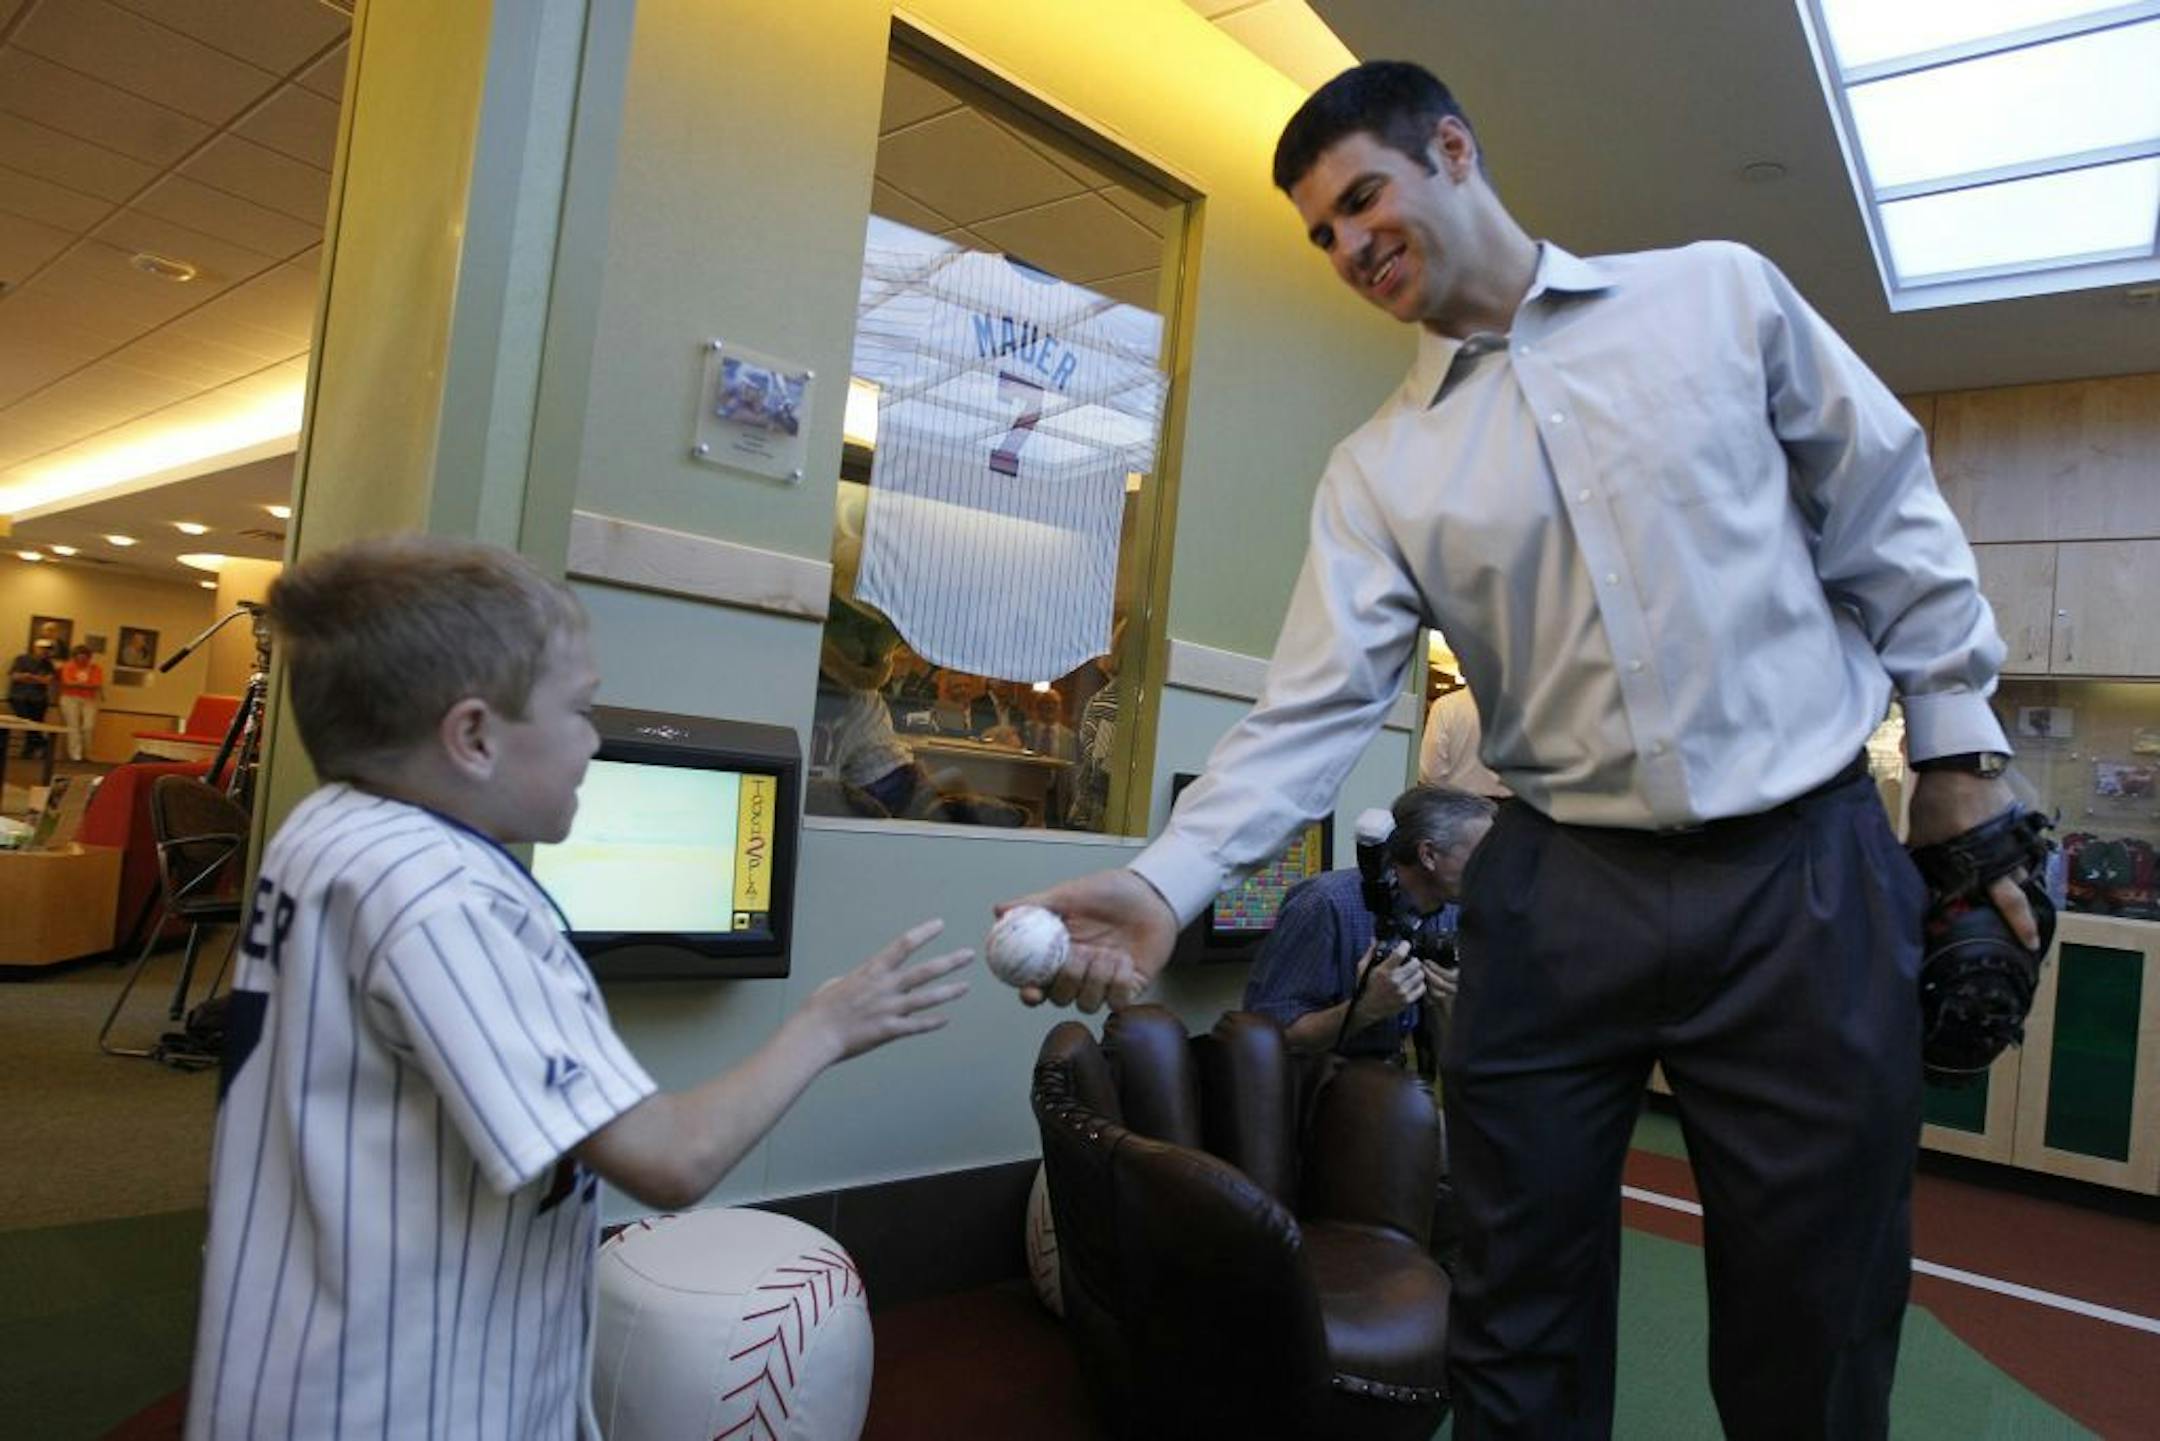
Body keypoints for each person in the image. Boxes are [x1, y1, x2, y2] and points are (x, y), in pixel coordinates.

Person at [1004, 60, 2037, 1440]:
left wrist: (1961, 759)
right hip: (1558, 886)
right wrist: (1166, 879)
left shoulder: (1717, 296)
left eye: (1363, 197)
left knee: (1818, 1307)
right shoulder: (1378, 470)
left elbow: (1887, 514)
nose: (1350, 245)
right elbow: (1311, 707)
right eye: (1321, 232)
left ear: (1452, 149)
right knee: (1514, 1299)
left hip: (1805, 867)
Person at [184, 535, 973, 1440]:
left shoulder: (328, 830)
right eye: (580, 711)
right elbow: (670, 1159)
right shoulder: (443, 897)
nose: (594, 743)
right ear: (473, 735)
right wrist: (828, 1024)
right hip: (396, 1399)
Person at [1246, 784, 1490, 1060]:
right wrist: (1367, 1008)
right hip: (1324, 1090)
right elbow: (1270, 1037)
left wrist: (1448, 1003)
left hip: (1401, 1089)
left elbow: (1456, 1059)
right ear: (1428, 855)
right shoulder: (1324, 903)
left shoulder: (1453, 913)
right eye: (1483, 856)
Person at [1419, 681, 1508, 799]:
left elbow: (1430, 771)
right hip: (1510, 808)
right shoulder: (1522, 712)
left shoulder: (1446, 706)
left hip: (1456, 805)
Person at [6, 637, 57, 757]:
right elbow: (15, 676)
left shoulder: (48, 664)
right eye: (43, 648)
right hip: (18, 697)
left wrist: (29, 677)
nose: (45, 651)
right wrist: (35, 678)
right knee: (26, 723)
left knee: (35, 724)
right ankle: (42, 742)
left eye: (48, 649)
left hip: (39, 699)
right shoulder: (21, 659)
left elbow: (47, 681)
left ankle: (29, 750)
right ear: (35, 648)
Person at [55, 643, 103, 762]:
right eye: (79, 657)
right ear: (75, 657)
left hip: (89, 699)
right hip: (69, 698)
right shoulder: (68, 666)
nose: (81, 660)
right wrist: (86, 685)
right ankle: (75, 756)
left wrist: (77, 684)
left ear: (88, 657)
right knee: (73, 727)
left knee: (88, 727)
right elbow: (66, 682)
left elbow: (96, 685)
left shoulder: (95, 668)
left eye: (84, 657)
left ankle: (87, 754)